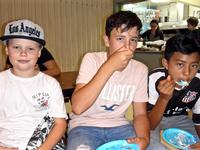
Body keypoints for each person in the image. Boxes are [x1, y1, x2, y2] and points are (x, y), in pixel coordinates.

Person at [66, 11, 150, 150]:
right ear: (106, 40)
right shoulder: (92, 59)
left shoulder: (140, 69)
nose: (127, 46)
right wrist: (109, 66)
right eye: (120, 38)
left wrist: (144, 139)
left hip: (120, 126)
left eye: (133, 40)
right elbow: (78, 107)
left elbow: (140, 114)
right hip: (84, 126)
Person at [0, 19, 67, 149]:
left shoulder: (50, 84)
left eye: (30, 48)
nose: (23, 53)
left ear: (39, 53)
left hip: (44, 145)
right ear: (7, 50)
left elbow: (60, 124)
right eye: (16, 47)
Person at [148, 34, 200, 149]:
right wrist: (163, 98)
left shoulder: (198, 82)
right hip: (155, 118)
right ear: (166, 63)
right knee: (153, 145)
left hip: (181, 119)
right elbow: (150, 124)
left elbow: (198, 120)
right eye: (180, 64)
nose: (187, 72)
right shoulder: (155, 78)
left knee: (195, 143)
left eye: (194, 65)